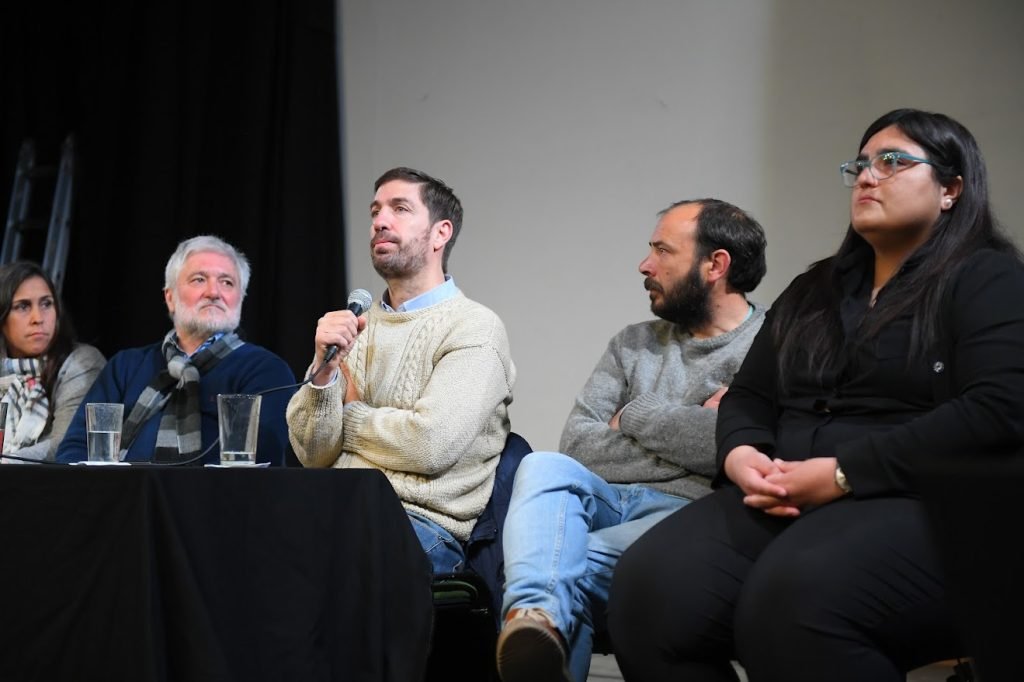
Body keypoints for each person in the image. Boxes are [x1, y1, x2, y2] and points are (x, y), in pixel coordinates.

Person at [606, 109, 1024, 682]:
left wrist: (843, 473)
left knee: (794, 601)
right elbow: (750, 395)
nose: (868, 176)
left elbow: (998, 410)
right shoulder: (814, 288)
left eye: (893, 161)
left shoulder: (987, 278)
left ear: (951, 188)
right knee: (648, 592)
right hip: (786, 492)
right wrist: (742, 453)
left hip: (917, 501)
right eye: (862, 164)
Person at [496, 199, 768, 682]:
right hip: (611, 502)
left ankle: (536, 616)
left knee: (554, 569)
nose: (645, 265)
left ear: (715, 265)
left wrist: (634, 414)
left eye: (663, 251)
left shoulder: (767, 346)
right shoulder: (633, 342)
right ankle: (532, 617)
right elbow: (578, 444)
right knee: (542, 465)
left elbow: (731, 448)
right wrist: (691, 432)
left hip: (692, 517)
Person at [286, 167, 515, 574]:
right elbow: (314, 455)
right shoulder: (353, 325)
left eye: (400, 209)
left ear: (441, 233)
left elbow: (429, 445)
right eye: (375, 211)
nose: (380, 221)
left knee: (312, 565)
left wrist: (348, 416)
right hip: (337, 509)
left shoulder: (474, 327)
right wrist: (323, 376)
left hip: (421, 526)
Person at [56, 235, 295, 465]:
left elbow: (261, 462)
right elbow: (74, 449)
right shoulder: (126, 366)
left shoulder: (266, 370)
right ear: (170, 297)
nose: (214, 292)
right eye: (199, 279)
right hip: (120, 492)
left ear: (240, 299)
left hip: (213, 494)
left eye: (227, 282)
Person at [0, 262, 105, 463]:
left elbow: (64, 444)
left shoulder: (82, 362)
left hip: (46, 481)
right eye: (23, 306)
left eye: (46, 304)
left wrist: (5, 463)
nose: (38, 318)